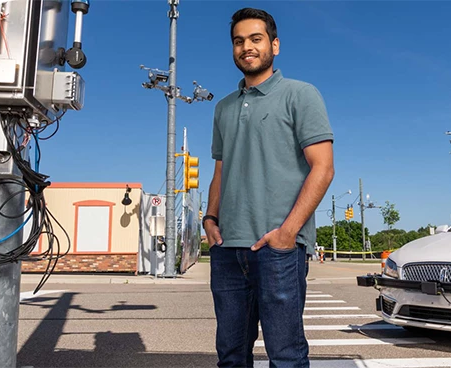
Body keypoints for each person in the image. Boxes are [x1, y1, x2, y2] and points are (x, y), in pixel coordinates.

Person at [202, 7, 335, 368]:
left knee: (286, 357)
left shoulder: (301, 95)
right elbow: (220, 169)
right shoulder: (223, 108)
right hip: (228, 249)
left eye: (256, 39)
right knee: (230, 357)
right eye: (239, 41)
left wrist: (288, 232)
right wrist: (210, 218)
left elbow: (323, 169)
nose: (247, 47)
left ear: (274, 46)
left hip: (278, 249)